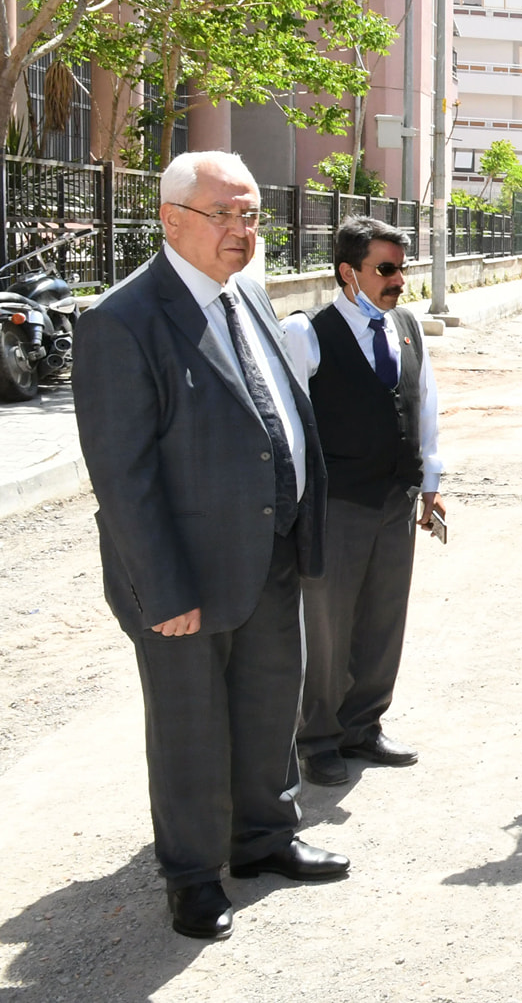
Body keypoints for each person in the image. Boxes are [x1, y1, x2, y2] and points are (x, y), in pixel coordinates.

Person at [73, 151, 347, 942]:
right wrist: (163, 592)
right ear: (170, 218)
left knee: (268, 709)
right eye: (224, 213)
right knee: (191, 729)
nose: (242, 229)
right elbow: (124, 481)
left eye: (252, 213)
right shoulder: (122, 321)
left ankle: (265, 837)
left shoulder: (250, 297)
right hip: (184, 575)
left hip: (270, 552)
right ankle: (192, 875)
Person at [283, 216, 444, 787]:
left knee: (383, 618)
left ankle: (364, 725)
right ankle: (319, 738)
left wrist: (431, 480)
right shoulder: (306, 333)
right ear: (349, 273)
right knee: (327, 627)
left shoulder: (406, 326)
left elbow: (423, 403)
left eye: (403, 267)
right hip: (336, 504)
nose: (399, 279)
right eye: (387, 269)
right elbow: (290, 426)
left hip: (394, 498)